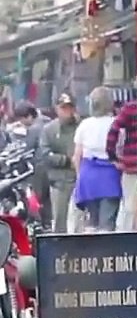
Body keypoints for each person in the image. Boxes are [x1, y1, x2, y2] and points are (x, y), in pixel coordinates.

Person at [72, 87, 123, 233]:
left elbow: (77, 156)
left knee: (90, 224)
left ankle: (89, 253)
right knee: (107, 223)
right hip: (110, 176)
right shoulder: (116, 123)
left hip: (88, 176)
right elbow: (120, 151)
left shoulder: (84, 125)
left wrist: (79, 176)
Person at [38, 94, 78, 233]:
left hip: (80, 180)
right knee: (61, 221)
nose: (67, 111)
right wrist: (66, 160)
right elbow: (45, 154)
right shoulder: (49, 129)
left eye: (70, 107)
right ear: (57, 109)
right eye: (63, 108)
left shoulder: (81, 126)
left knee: (81, 221)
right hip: (60, 183)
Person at [105, 99, 137, 232]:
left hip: (131, 165)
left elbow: (114, 130)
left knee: (131, 208)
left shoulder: (130, 108)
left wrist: (112, 156)